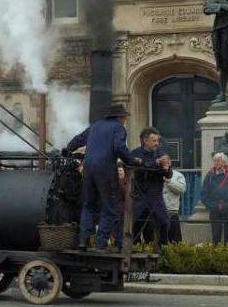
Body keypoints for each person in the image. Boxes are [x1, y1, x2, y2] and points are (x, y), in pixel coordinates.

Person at [67, 104, 138, 252]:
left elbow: (77, 140)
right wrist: (132, 161)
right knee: (110, 207)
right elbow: (119, 148)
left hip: (88, 169)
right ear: (119, 117)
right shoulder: (119, 128)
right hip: (105, 169)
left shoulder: (95, 126)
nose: (125, 120)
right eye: (124, 117)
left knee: (88, 205)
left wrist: (67, 150)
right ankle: (101, 243)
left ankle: (83, 241)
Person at [130, 127, 172, 248]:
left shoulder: (161, 154)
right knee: (136, 223)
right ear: (145, 141)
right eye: (154, 141)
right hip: (140, 195)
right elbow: (138, 169)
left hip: (155, 195)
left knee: (164, 221)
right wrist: (156, 163)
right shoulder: (135, 154)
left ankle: (163, 247)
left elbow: (169, 175)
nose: (157, 143)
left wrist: (166, 168)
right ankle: (134, 248)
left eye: (157, 141)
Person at [201, 153, 228, 245]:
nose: (216, 163)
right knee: (216, 235)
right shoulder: (209, 176)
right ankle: (217, 254)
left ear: (224, 162)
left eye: (219, 161)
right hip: (215, 209)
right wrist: (211, 206)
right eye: (215, 160)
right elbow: (204, 194)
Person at [163, 160, 186, 243]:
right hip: (157, 211)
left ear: (169, 163)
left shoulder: (178, 175)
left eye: (166, 163)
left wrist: (169, 181)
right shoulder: (155, 174)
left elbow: (182, 189)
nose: (164, 165)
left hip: (171, 210)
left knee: (175, 240)